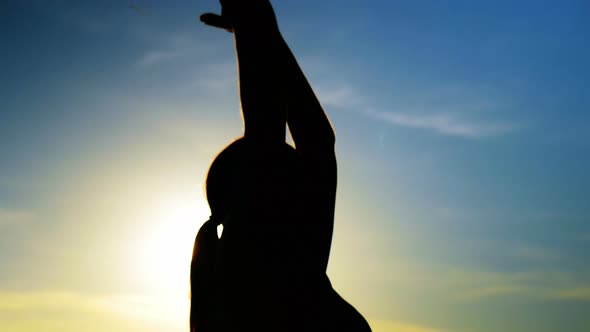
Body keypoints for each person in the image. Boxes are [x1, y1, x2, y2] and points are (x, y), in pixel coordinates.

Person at [190, 1, 372, 331]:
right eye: (289, 170)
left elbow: (315, 142)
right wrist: (254, 24)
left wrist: (260, 30)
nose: (303, 177)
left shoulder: (288, 267)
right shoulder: (269, 277)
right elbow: (274, 135)